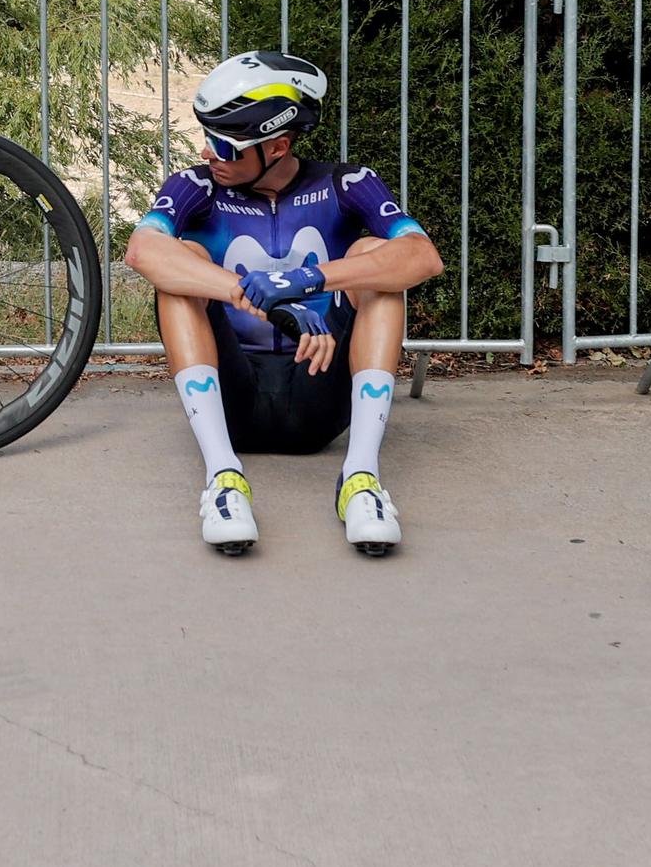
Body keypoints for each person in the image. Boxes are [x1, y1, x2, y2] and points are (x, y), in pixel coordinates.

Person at [123, 51, 444, 556]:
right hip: (234, 397)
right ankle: (223, 478)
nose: (210, 154)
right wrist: (256, 296)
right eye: (207, 138)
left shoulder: (346, 183)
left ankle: (361, 478)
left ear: (277, 146)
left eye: (225, 147)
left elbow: (423, 256)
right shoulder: (197, 186)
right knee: (179, 262)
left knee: (375, 257)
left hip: (319, 390)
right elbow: (142, 250)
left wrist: (307, 279)